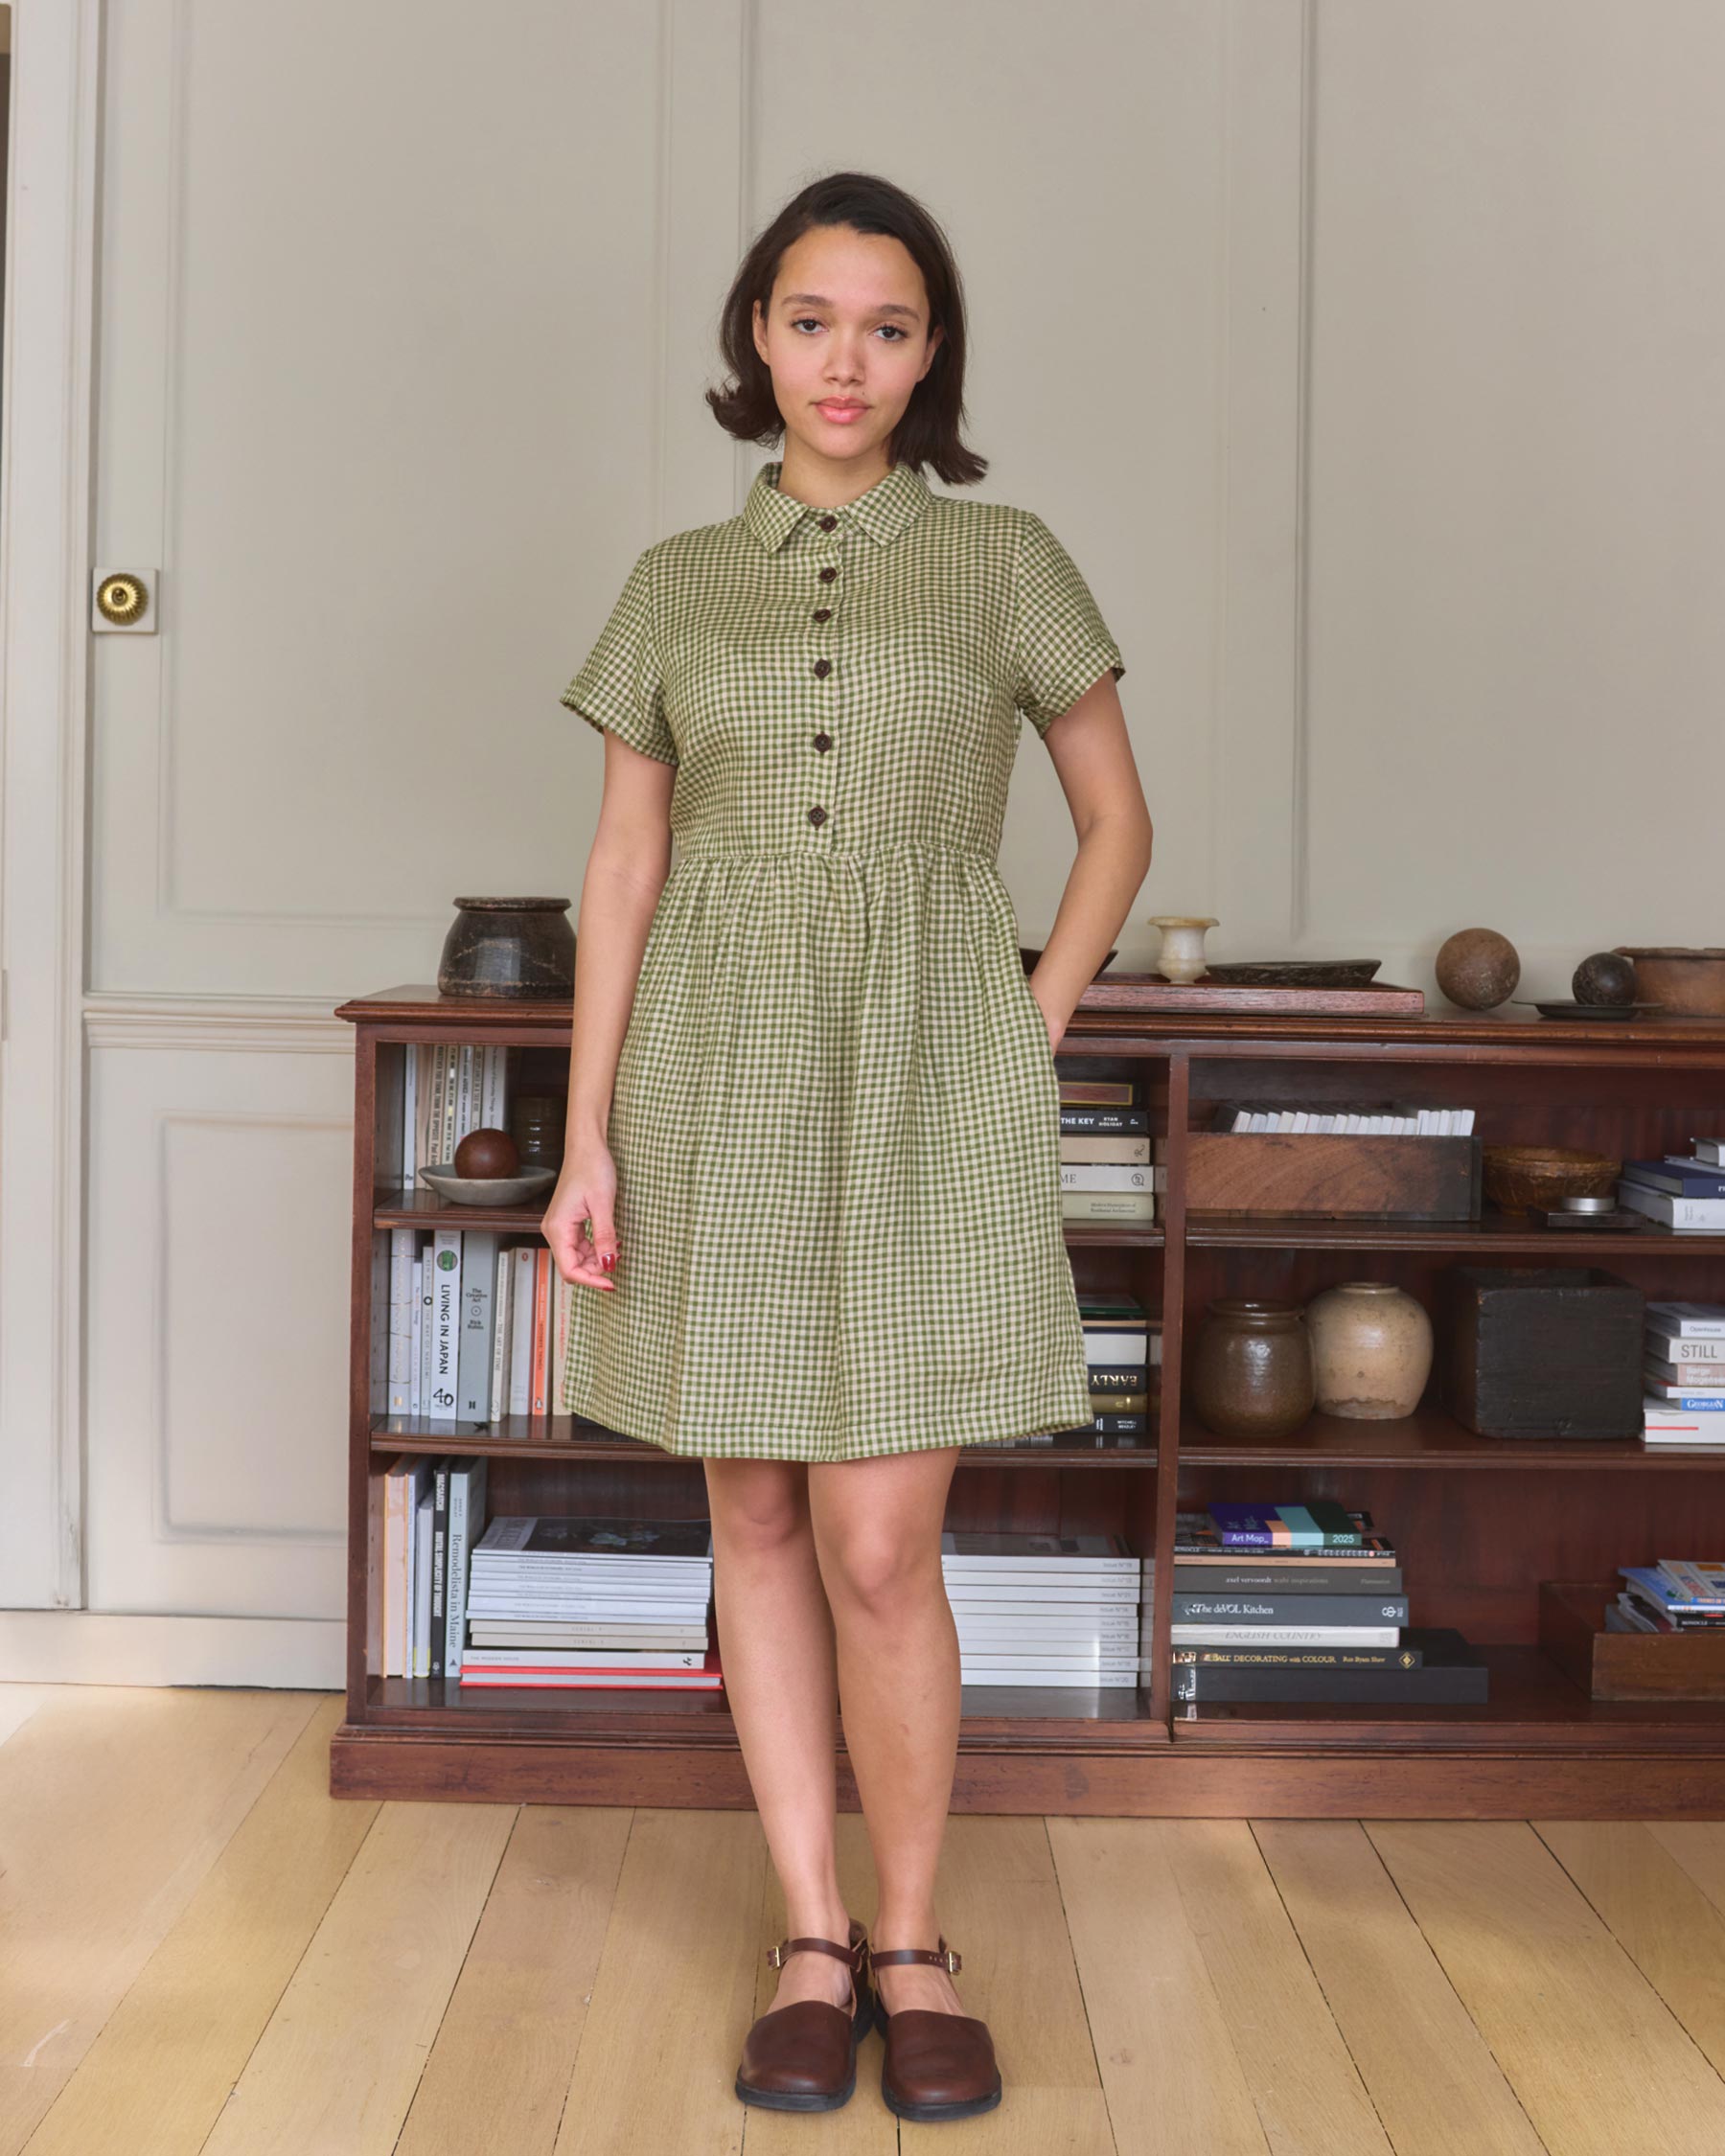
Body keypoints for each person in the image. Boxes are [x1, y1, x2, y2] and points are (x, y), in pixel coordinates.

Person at [542, 170, 1154, 2123]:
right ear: (756, 337)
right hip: (709, 1071)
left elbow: (1116, 826)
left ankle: (914, 1937)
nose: (847, 361)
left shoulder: (1006, 560)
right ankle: (811, 1935)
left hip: (923, 1072)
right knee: (753, 1518)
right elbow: (622, 873)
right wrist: (586, 1142)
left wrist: (1022, 1027)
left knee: (887, 1542)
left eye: (889, 327)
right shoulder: (670, 584)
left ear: (932, 353)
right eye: (812, 320)